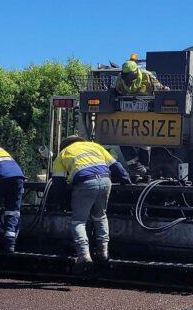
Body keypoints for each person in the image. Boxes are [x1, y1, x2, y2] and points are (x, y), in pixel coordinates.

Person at [51, 136, 131, 268]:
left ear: (65, 145)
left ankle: (84, 255)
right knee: (100, 217)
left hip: (85, 183)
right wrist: (126, 178)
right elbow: (115, 165)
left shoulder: (63, 154)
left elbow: (58, 183)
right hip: (105, 181)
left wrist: (62, 202)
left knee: (79, 221)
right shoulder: (95, 146)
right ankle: (103, 252)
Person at [113, 57, 166, 178]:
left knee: (145, 142)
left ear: (136, 72)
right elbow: (117, 91)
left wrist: (165, 91)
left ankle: (144, 172)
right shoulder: (120, 79)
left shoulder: (148, 76)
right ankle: (135, 166)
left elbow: (160, 90)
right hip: (127, 115)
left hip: (147, 115)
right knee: (121, 139)